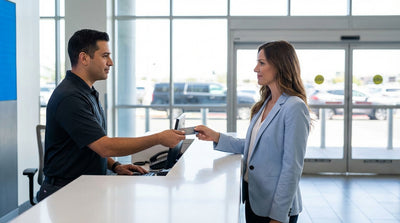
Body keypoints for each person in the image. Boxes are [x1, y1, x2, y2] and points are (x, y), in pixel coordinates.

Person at [37, 29, 185, 202]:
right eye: (105, 56)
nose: (111, 62)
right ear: (84, 58)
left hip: (83, 188)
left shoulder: (86, 92)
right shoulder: (71, 97)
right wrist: (159, 138)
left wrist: (115, 166)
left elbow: (89, 144)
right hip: (64, 192)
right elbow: (104, 146)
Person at [195, 40, 310, 223]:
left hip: (275, 208)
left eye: (262, 63)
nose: (256, 69)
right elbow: (252, 146)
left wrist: (278, 216)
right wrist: (215, 136)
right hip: (256, 200)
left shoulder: (294, 107)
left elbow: (292, 167)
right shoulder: (266, 103)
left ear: (280, 66)